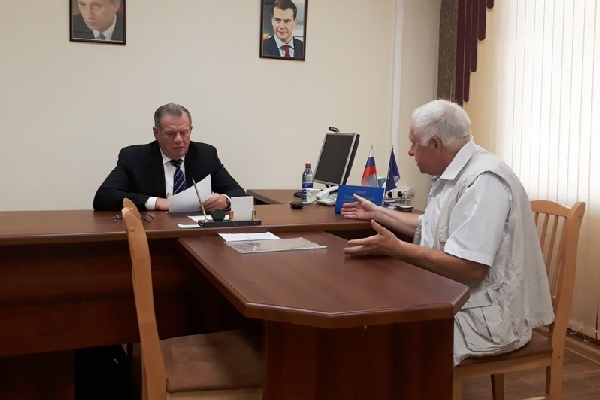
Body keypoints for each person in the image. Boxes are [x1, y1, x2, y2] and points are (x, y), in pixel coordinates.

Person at [341, 99, 555, 366]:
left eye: (414, 143)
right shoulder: (456, 172)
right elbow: (431, 226)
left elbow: (471, 268)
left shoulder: (484, 181)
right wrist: (377, 212)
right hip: (457, 297)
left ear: (435, 144)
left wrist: (398, 249)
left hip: (488, 316)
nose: (410, 151)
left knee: (387, 333)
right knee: (375, 312)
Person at [93, 103, 246, 212]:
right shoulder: (134, 157)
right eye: (170, 133)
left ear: (191, 130)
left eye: (184, 132)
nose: (179, 139)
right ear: (156, 133)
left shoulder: (206, 154)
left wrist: (225, 200)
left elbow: (238, 193)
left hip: (196, 232)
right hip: (154, 232)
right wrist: (156, 202)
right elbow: (104, 197)